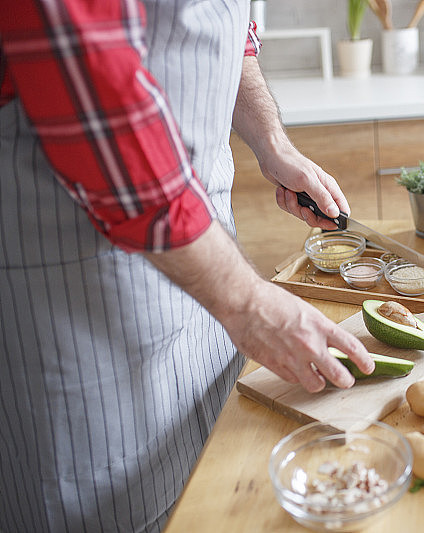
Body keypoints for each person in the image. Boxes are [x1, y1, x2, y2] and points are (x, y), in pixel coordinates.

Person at [0, 1, 373, 531]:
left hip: (205, 251)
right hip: (73, 269)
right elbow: (97, 103)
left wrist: (272, 142)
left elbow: (223, 34)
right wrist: (245, 301)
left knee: (214, 489)